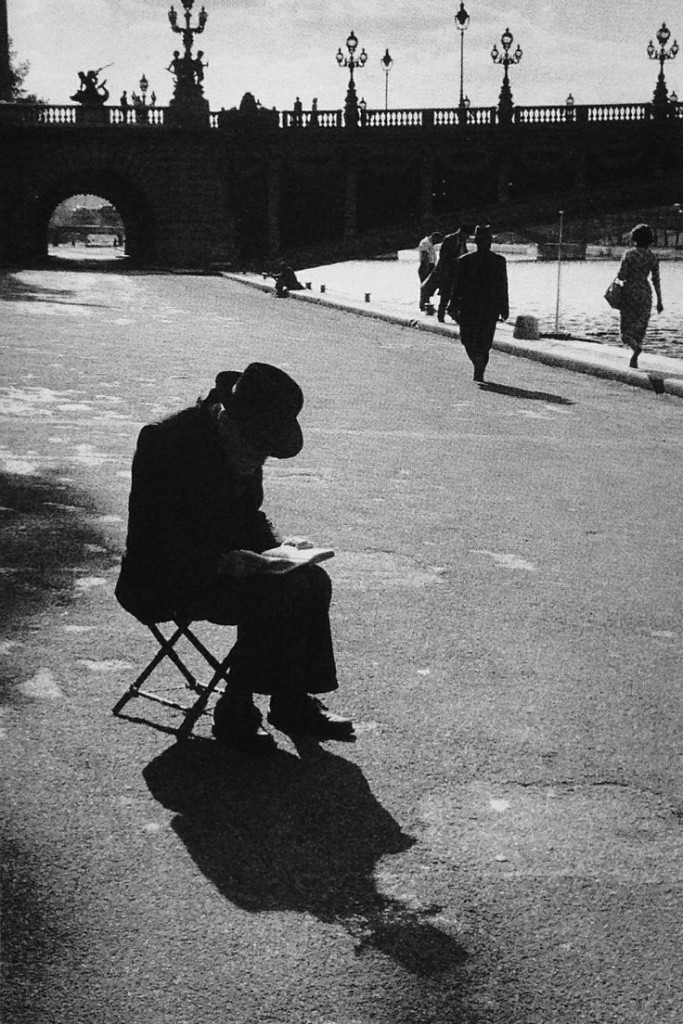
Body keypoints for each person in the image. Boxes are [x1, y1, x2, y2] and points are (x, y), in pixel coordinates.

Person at [115, 362, 354, 754]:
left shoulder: (243, 442)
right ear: (227, 418)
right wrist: (217, 561)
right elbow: (151, 536)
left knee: (311, 581)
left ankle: (290, 700)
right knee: (274, 594)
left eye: (266, 452)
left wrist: (280, 548)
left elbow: (248, 516)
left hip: (226, 567)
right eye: (256, 447)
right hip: (163, 576)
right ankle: (235, 709)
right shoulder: (166, 441)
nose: (258, 460)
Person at [451, 224, 509, 382]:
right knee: (470, 339)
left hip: (483, 308)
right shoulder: (465, 261)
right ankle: (479, 364)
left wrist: (504, 308)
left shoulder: (497, 261)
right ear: (477, 241)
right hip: (474, 307)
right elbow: (457, 286)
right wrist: (452, 305)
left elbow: (503, 286)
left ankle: (479, 368)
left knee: (481, 341)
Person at [616, 223, 664, 369]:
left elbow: (621, 275)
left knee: (625, 332)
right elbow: (656, 280)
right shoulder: (652, 257)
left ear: (634, 238)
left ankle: (635, 349)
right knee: (640, 328)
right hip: (645, 293)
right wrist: (659, 301)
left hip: (630, 292)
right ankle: (635, 357)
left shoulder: (629, 254)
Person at [432, 226, 469, 322]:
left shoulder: (462, 240)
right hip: (448, 271)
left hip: (458, 271)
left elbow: (464, 253)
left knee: (458, 294)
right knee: (445, 294)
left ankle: (454, 313)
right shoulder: (449, 239)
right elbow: (443, 257)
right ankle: (441, 315)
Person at [417, 231, 443, 310]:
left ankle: (426, 304)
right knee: (425, 286)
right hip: (426, 266)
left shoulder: (429, 243)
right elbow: (424, 257)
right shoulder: (425, 243)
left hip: (429, 266)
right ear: (434, 237)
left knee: (428, 287)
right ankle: (423, 305)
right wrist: (427, 269)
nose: (436, 244)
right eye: (436, 241)